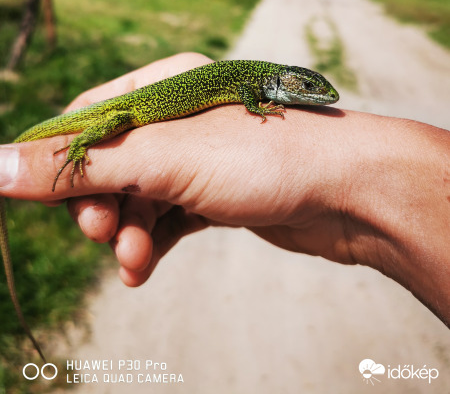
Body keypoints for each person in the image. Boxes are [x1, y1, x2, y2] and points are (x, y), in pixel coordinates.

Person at [0, 52, 449, 326]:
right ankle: (79, 143)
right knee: (115, 122)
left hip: (151, 102)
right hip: (135, 108)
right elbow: (248, 97)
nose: (320, 94)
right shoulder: (255, 81)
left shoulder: (261, 76)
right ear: (287, 81)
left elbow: (246, 93)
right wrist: (80, 144)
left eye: (314, 86)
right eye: (309, 87)